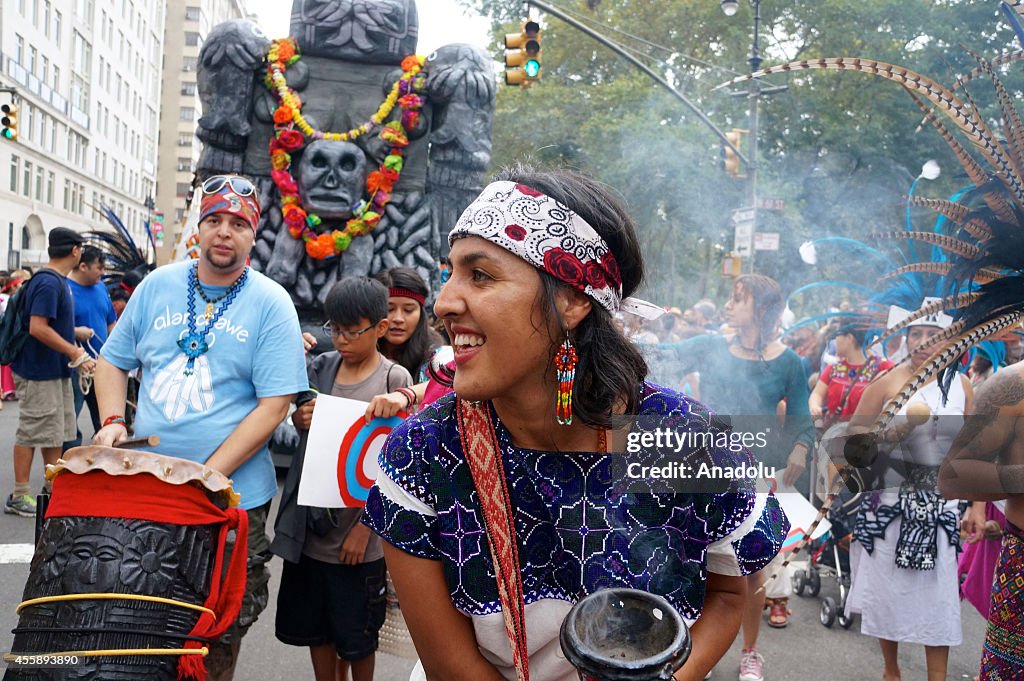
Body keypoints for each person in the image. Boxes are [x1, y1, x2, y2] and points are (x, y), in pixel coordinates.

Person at [362, 167, 789, 681]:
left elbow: (725, 596)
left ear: (573, 300)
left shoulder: (679, 438)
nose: (446, 302)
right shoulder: (425, 451)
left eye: (481, 274)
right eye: (449, 272)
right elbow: (451, 666)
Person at [92, 174, 308, 680]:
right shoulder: (157, 286)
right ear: (199, 229)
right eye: (214, 220)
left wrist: (207, 475)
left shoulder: (271, 301)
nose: (224, 232)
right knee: (140, 608)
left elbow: (275, 404)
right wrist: (111, 421)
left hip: (229, 496)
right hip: (147, 484)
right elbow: (111, 361)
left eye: (238, 223)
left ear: (254, 235)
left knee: (218, 622)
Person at [650, 274, 814, 681]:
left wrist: (802, 446)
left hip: (754, 476)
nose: (728, 306)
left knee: (751, 569)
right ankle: (683, 650)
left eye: (738, 300)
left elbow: (802, 418)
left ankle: (750, 652)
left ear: (762, 309)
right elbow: (664, 357)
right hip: (700, 469)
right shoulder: (709, 346)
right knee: (690, 564)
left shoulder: (790, 362)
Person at [272, 276, 412, 681]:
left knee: (357, 635)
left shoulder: (394, 381)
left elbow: (396, 468)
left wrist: (365, 533)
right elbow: (310, 437)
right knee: (318, 629)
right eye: (336, 329)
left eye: (353, 330)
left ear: (380, 329)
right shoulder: (321, 367)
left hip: (358, 543)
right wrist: (300, 420)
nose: (343, 339)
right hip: (313, 533)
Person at [845, 308, 974, 681]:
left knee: (940, 602)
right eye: (915, 334)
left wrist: (977, 505)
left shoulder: (962, 386)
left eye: (932, 334)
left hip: (941, 509)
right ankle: (891, 671)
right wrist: (886, 437)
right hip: (888, 506)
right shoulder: (886, 383)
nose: (922, 343)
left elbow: (975, 448)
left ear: (952, 340)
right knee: (888, 596)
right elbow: (851, 444)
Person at [6, 228, 94, 517]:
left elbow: (49, 326)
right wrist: (74, 352)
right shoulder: (48, 282)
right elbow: (38, 327)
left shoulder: (54, 281)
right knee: (32, 430)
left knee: (54, 433)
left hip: (51, 370)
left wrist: (75, 334)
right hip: (37, 371)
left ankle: (51, 489)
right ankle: (19, 494)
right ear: (75, 251)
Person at [63, 244, 117, 449]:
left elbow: (111, 323)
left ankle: (105, 466)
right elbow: (50, 327)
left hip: (101, 366)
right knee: (69, 424)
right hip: (74, 367)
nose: (102, 273)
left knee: (106, 421)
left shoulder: (101, 287)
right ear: (83, 266)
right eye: (99, 267)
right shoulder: (64, 288)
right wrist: (76, 332)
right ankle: (66, 469)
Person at [808, 325, 894, 428]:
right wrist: (815, 406)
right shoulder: (835, 367)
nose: (835, 341)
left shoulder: (884, 368)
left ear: (849, 338)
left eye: (837, 335)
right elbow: (817, 393)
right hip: (832, 436)